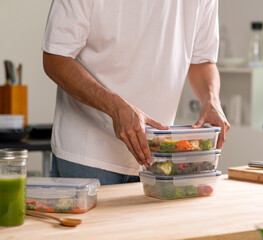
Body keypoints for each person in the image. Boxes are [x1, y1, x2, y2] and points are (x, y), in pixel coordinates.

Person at [42, 0, 230, 185]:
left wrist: (211, 100)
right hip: (88, 157)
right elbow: (56, 59)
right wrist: (116, 107)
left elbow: (202, 60)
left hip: (158, 156)